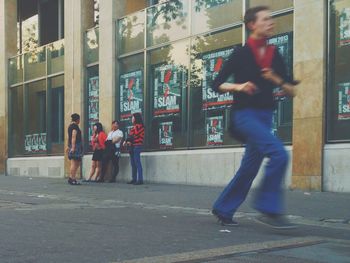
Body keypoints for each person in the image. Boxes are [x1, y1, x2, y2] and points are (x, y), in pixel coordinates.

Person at [211, 6, 299, 229]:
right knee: (279, 154)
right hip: (245, 116)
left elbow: (292, 91)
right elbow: (216, 84)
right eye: (266, 19)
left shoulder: (274, 54)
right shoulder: (240, 53)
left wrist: (276, 79)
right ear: (252, 25)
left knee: (249, 168)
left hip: (265, 117)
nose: (272, 22)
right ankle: (269, 209)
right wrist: (239, 86)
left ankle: (223, 207)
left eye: (272, 19)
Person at [124, 113, 145, 185]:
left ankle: (140, 179)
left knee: (137, 162)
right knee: (133, 163)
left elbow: (134, 135)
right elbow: (130, 136)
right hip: (133, 146)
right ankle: (134, 178)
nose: (132, 119)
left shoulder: (139, 126)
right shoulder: (134, 127)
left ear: (136, 118)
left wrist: (128, 140)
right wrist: (127, 141)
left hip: (137, 146)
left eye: (133, 118)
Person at [67, 113, 83, 185]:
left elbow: (69, 137)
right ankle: (72, 178)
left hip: (73, 145)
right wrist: (73, 147)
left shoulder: (70, 126)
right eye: (79, 119)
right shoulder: (75, 127)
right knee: (75, 163)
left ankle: (72, 178)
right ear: (77, 119)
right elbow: (73, 136)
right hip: (76, 145)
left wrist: (68, 146)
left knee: (75, 162)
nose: (79, 121)